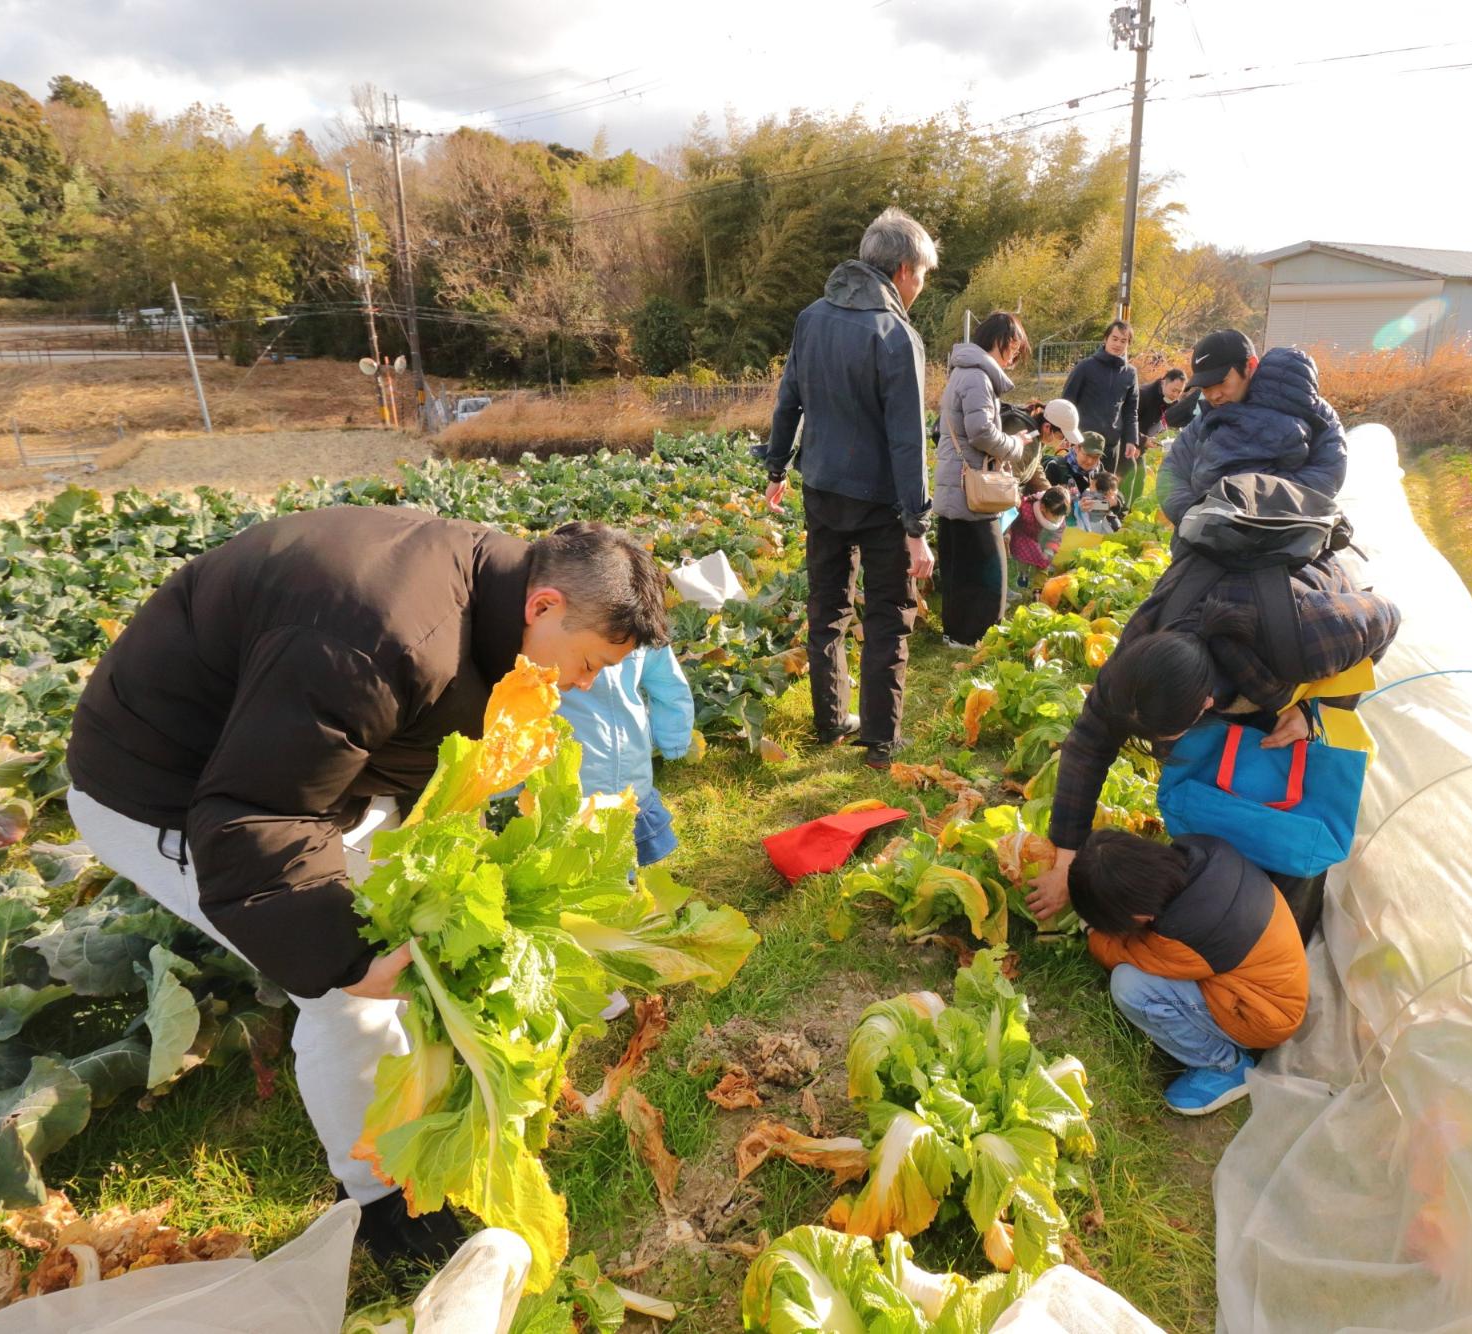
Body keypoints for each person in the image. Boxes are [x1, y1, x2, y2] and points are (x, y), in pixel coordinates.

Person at [65, 512, 668, 1264]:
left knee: (409, 928)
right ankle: (380, 1202)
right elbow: (260, 813)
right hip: (163, 789)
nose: (586, 684)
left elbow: (396, 745)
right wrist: (345, 958)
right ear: (543, 606)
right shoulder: (382, 636)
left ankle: (420, 1096)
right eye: (589, 662)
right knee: (352, 983)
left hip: (286, 773)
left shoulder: (485, 591)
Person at [1024, 549, 1399, 931]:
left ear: (1205, 705)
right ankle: (1217, 887)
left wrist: (1312, 711)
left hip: (1286, 650)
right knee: (1210, 788)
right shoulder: (1142, 654)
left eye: (1167, 734)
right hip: (1227, 633)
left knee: (1285, 814)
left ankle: (1284, 925)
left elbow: (1388, 616)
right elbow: (1088, 745)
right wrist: (1066, 859)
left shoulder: (1310, 638)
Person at [764, 208, 939, 768]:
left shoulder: (811, 317)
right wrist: (917, 527)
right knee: (889, 613)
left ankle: (831, 719)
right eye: (923, 276)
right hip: (881, 502)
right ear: (904, 270)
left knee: (828, 607)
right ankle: (881, 740)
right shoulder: (896, 334)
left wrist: (775, 469)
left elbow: (788, 398)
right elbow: (908, 441)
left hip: (821, 488)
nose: (921, 287)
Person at [1071, 828, 1309, 1114]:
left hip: (1261, 1017)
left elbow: (1128, 954)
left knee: (1131, 986)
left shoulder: (1184, 931)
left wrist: (1092, 933)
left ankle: (1225, 1065)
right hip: (1277, 985)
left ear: (1138, 916)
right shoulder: (1200, 851)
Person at [1158, 330, 1347, 527]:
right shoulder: (1207, 417)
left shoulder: (1312, 409)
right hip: (1206, 539)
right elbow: (1172, 471)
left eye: (1221, 382)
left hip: (1280, 541)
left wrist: (1250, 510)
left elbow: (1328, 475)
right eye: (1205, 387)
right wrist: (1193, 514)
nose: (1214, 395)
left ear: (1250, 366)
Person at [932, 311, 1036, 647]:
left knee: (958, 565)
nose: (1016, 355)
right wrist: (1015, 445)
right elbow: (980, 432)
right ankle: (977, 635)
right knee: (989, 567)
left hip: (956, 485)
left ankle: (957, 633)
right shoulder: (978, 376)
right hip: (971, 491)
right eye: (1015, 347)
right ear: (1001, 341)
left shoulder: (964, 371)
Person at [555, 642, 694, 869]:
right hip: (572, 765)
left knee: (619, 851)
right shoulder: (547, 619)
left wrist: (674, 737)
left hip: (627, 763)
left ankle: (622, 889)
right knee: (564, 851)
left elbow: (665, 679)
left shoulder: (637, 616)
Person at [1061, 320, 1141, 474]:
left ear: (1128, 344)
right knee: (1075, 490)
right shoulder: (1085, 367)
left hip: (1110, 446)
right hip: (1083, 442)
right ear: (1106, 339)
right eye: (1115, 338)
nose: (1118, 344)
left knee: (1102, 493)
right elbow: (1067, 402)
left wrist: (1132, 440)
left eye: (1123, 341)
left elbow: (1131, 410)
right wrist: (1066, 434)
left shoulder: (1130, 373)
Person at [1007, 486, 1071, 591]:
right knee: (1023, 560)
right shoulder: (1027, 509)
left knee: (1044, 561)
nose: (1057, 519)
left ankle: (1038, 588)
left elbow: (1056, 536)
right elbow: (1012, 519)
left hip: (1041, 540)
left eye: (1060, 516)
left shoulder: (1059, 520)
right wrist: (1009, 533)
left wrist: (1049, 550)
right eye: (1055, 515)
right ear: (1042, 507)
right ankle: (1023, 574)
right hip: (1023, 537)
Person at [1043, 423, 1103, 496]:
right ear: (1077, 448)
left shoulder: (1099, 468)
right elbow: (1046, 502)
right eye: (1087, 455)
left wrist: (1114, 502)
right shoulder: (1055, 467)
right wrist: (1077, 505)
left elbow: (1114, 493)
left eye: (1095, 457)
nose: (1090, 461)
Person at [1137, 366, 1187, 440]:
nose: (1175, 395)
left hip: (1148, 434)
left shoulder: (1172, 401)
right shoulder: (1143, 395)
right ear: (1163, 383)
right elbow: (1126, 424)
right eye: (1173, 390)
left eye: (1179, 392)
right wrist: (1143, 440)